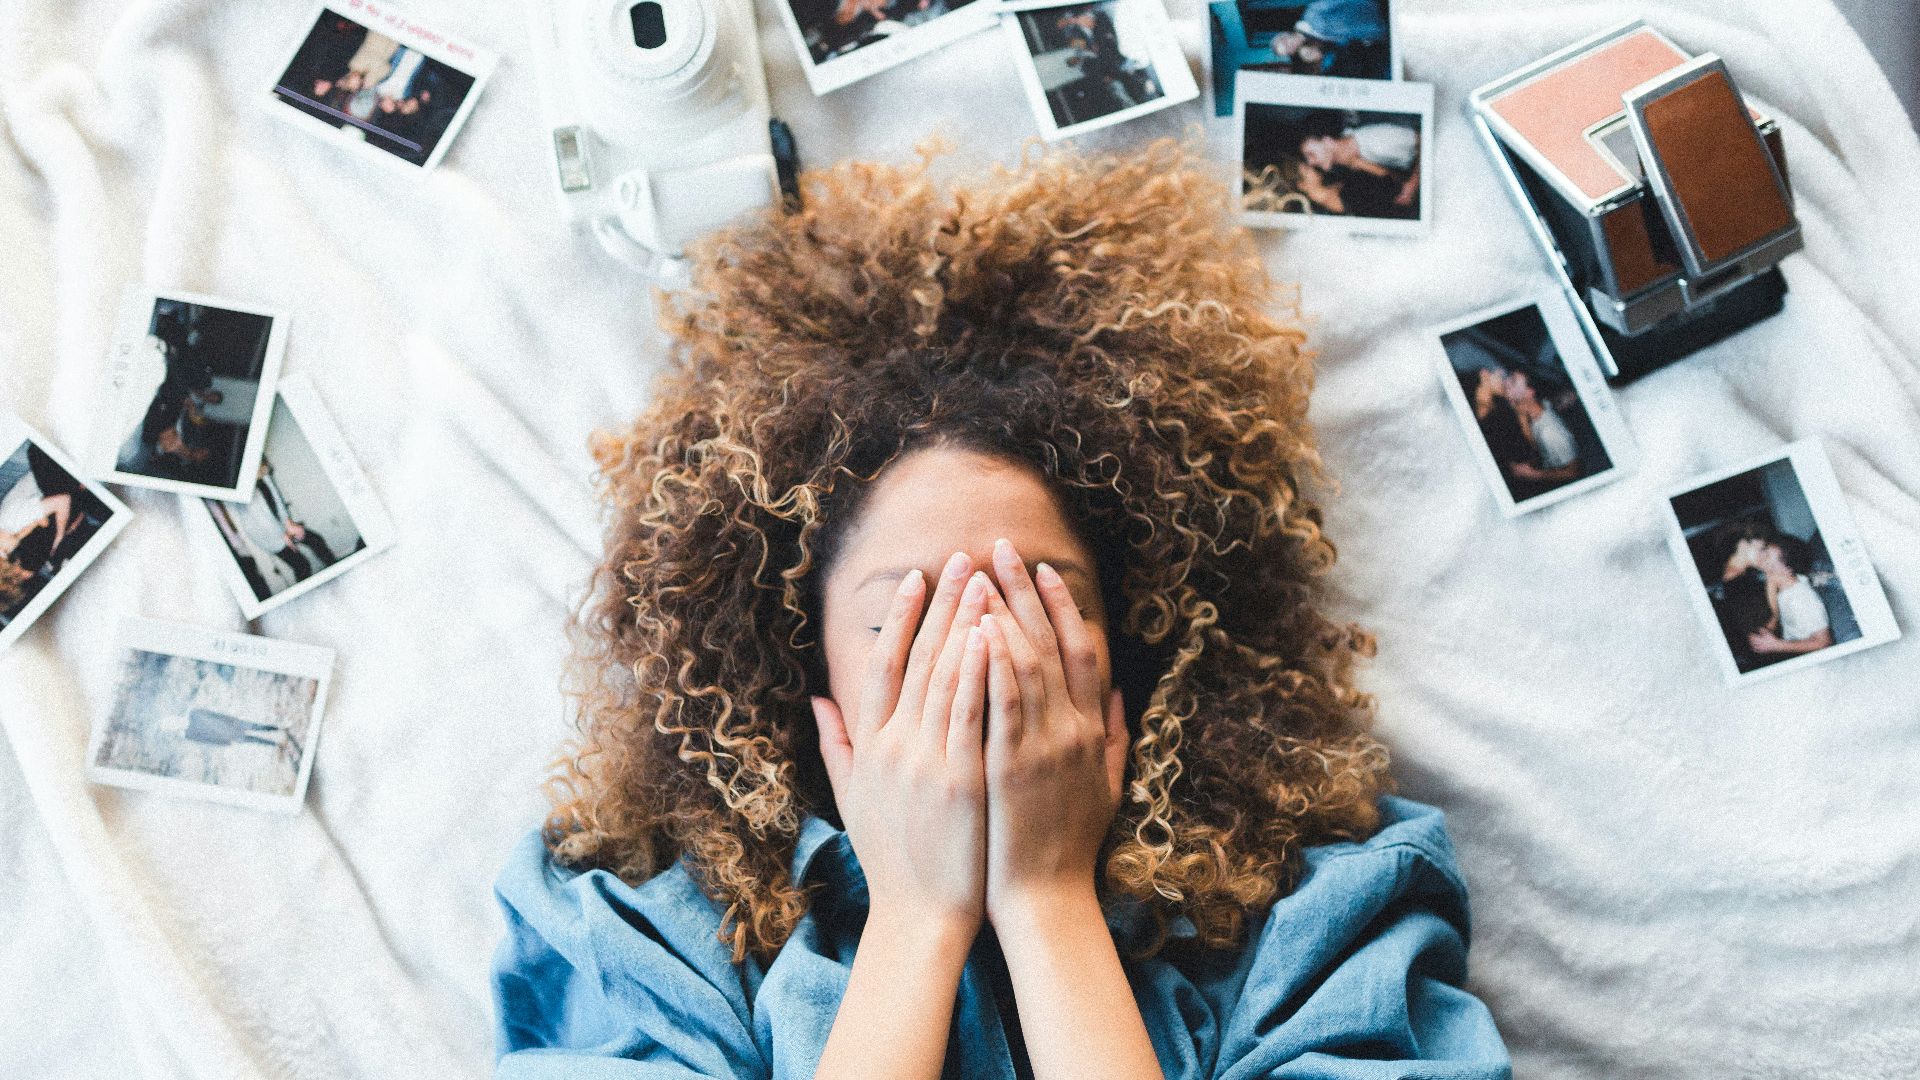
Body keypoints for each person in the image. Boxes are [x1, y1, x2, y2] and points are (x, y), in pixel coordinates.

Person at [489, 137, 1510, 1078]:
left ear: (1131, 643)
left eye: (1038, 602)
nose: (981, 655)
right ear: (803, 663)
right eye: (909, 616)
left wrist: (1049, 901)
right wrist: (913, 917)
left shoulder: (1330, 907)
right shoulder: (636, 915)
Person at [1720, 529, 1833, 658]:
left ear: (1787, 569)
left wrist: (1777, 645)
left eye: (1767, 556)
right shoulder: (1784, 587)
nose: (1761, 558)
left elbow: (1824, 642)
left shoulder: (1802, 599)